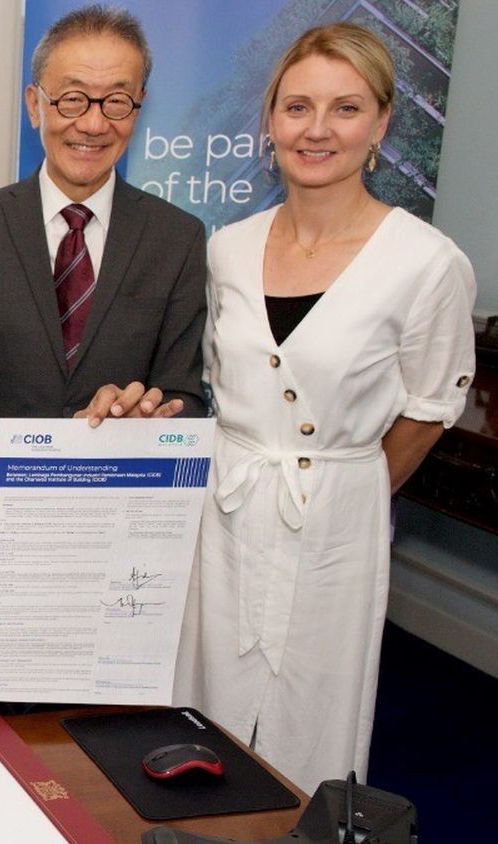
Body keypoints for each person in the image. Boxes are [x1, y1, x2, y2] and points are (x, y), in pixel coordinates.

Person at [97, 23, 477, 791]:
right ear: (270, 122)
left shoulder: (427, 262)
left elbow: (431, 407)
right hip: (225, 509)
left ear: (380, 124)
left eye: (344, 108)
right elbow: (209, 383)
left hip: (337, 519)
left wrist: (351, 490)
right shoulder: (227, 247)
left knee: (313, 719)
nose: (317, 129)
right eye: (297, 107)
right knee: (203, 710)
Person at [0, 4, 206, 423]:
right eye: (72, 100)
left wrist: (143, 418)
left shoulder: (177, 239)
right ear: (35, 105)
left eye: (116, 101)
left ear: (139, 107)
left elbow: (185, 400)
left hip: (122, 484)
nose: (93, 124)